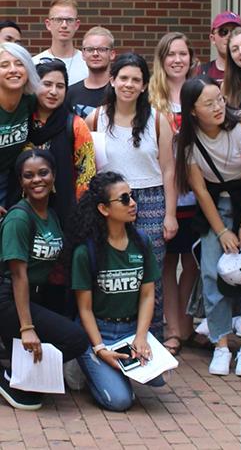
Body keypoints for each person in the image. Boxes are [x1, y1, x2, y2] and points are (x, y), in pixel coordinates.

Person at [175, 76, 241, 376]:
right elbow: (199, 189)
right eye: (208, 103)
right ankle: (221, 345)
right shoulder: (188, 140)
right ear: (192, 110)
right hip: (212, 207)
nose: (217, 107)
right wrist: (222, 232)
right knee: (213, 274)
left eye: (220, 100)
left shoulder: (240, 128)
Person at [86, 53, 176, 343]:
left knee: (150, 274)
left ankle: (151, 341)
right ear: (112, 80)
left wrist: (170, 214)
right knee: (112, 269)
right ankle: (112, 338)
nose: (128, 84)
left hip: (150, 201)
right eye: (123, 78)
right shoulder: (96, 118)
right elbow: (87, 167)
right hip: (110, 203)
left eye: (136, 79)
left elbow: (168, 169)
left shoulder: (158, 120)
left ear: (144, 85)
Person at [65, 172, 163, 411]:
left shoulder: (142, 242)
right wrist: (100, 349)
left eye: (132, 197)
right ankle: (86, 365)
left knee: (159, 378)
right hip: (98, 332)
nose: (133, 203)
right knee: (120, 401)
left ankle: (112, 369)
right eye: (125, 199)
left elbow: (148, 294)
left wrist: (141, 337)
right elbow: (84, 309)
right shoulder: (86, 252)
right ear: (104, 209)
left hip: (130, 330)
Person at [0, 149, 88, 410]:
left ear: (54, 176)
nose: (36, 180)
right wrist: (28, 327)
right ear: (21, 182)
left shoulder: (52, 216)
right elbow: (18, 275)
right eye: (28, 176)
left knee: (37, 395)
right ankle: (11, 375)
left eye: (43, 173)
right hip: (8, 298)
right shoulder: (18, 217)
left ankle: (22, 370)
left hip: (33, 296)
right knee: (75, 340)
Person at [149, 32, 200, 355]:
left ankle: (185, 323)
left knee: (192, 260)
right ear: (162, 59)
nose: (177, 60)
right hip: (166, 192)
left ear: (191, 59)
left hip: (197, 192)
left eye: (182, 54)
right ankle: (172, 327)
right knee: (167, 262)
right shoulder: (153, 97)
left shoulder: (199, 91)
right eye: (170, 54)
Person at [29, 59, 95, 226]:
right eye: (47, 84)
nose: (53, 91)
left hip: (64, 212)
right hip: (22, 208)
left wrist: (78, 211)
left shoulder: (75, 125)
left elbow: (86, 173)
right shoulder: (22, 121)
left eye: (60, 86)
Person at [0, 42, 40, 215]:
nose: (13, 70)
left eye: (19, 63)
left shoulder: (29, 102)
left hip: (11, 180)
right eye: (4, 65)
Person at [32, 0, 88, 85]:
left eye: (69, 20)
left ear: (77, 25)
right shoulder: (34, 63)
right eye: (58, 20)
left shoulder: (88, 63)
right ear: (48, 24)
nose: (64, 25)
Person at [67, 26, 116, 119]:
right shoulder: (70, 93)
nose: (95, 54)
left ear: (112, 54)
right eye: (90, 49)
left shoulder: (120, 91)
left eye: (102, 49)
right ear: (83, 54)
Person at [200, 11, 241, 84]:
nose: (229, 35)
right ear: (213, 39)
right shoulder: (201, 72)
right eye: (223, 31)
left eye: (234, 31)